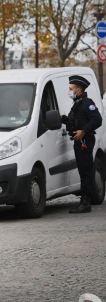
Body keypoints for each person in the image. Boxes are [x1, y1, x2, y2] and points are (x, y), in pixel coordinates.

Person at [61, 75, 102, 214]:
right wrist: (64, 120)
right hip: (79, 141)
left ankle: (85, 202)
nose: (69, 91)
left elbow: (97, 119)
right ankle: (85, 201)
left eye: (71, 89)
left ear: (78, 89)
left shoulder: (86, 103)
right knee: (83, 170)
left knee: (86, 170)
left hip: (84, 141)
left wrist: (83, 131)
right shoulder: (78, 104)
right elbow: (75, 122)